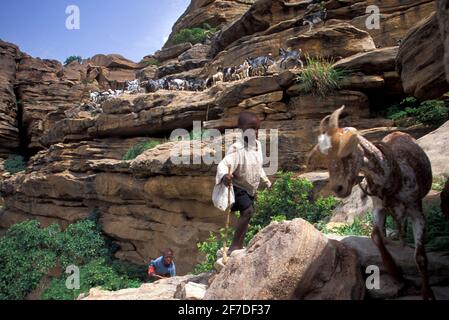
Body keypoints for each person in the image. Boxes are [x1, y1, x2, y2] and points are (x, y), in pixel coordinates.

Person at [216, 112, 272, 254]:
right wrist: (224, 177)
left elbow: (258, 166)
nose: (255, 132)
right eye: (251, 129)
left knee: (248, 214)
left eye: (257, 129)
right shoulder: (237, 149)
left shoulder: (258, 145)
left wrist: (266, 181)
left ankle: (239, 245)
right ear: (241, 130)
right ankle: (234, 246)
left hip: (249, 188)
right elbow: (223, 164)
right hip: (238, 187)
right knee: (247, 211)